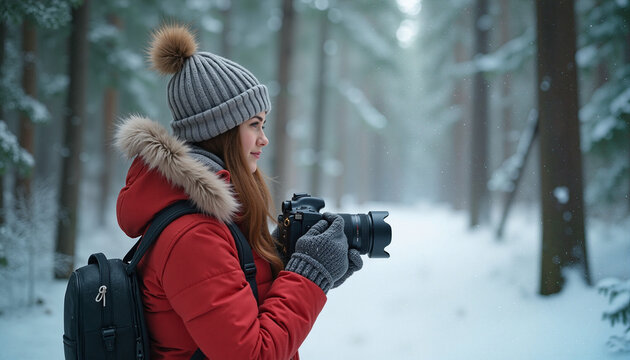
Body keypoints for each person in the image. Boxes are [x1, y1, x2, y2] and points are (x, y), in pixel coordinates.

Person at [114, 24, 363, 360]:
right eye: (254, 125)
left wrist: (291, 265)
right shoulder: (194, 235)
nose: (264, 139)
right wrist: (309, 274)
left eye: (264, 125)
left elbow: (241, 310)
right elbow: (252, 354)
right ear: (221, 131)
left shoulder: (211, 221)